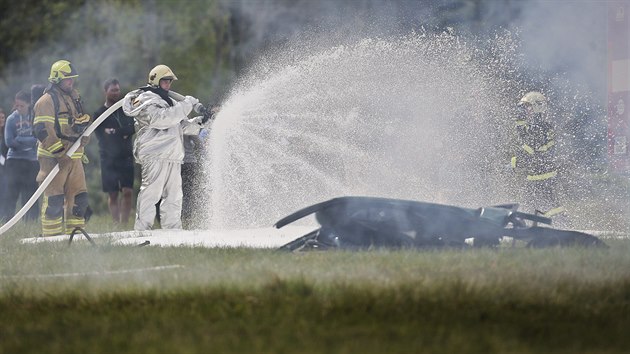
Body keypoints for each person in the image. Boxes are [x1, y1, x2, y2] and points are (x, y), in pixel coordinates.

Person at [122, 64, 208, 231]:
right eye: (165, 81)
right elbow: (162, 119)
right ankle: (142, 229)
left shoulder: (171, 102)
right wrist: (187, 105)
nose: (168, 85)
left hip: (173, 155)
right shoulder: (144, 101)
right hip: (154, 154)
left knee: (175, 196)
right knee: (151, 193)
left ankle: (172, 230)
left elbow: (181, 126)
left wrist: (201, 122)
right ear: (155, 81)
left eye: (170, 81)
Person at [33, 59, 91, 236]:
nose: (71, 82)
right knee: (54, 199)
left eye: (72, 79)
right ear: (57, 79)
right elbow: (42, 131)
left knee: (79, 197)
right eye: (68, 79)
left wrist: (84, 136)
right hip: (53, 158)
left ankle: (76, 233)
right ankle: (51, 237)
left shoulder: (74, 97)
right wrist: (59, 153)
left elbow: (79, 120)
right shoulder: (46, 101)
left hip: (74, 156)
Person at [510, 91, 567, 226]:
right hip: (539, 173)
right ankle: (557, 225)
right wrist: (520, 122)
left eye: (527, 107)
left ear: (537, 107)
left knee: (541, 203)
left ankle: (562, 226)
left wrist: (513, 163)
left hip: (541, 174)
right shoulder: (540, 125)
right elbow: (524, 137)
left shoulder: (538, 127)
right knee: (538, 203)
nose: (524, 110)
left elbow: (529, 150)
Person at [94, 78, 135, 225]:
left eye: (118, 90)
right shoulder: (99, 113)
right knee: (112, 194)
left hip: (126, 157)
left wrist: (114, 132)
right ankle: (116, 223)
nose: (116, 93)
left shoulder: (126, 110)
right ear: (105, 91)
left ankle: (124, 223)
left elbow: (132, 128)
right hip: (108, 158)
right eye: (113, 90)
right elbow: (101, 136)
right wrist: (120, 133)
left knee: (128, 191)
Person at [4, 90, 40, 221]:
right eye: (17, 105)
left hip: (32, 160)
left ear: (29, 104)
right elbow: (9, 142)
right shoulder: (11, 119)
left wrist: (20, 139)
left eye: (22, 106)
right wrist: (29, 142)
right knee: (11, 192)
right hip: (14, 160)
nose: (19, 108)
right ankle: (7, 220)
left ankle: (31, 221)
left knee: (31, 192)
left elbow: (37, 138)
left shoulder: (35, 118)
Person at [0, 107, 9, 221]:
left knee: (5, 193)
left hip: (6, 168)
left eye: (2, 117)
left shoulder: (6, 132)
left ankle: (4, 217)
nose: (1, 120)